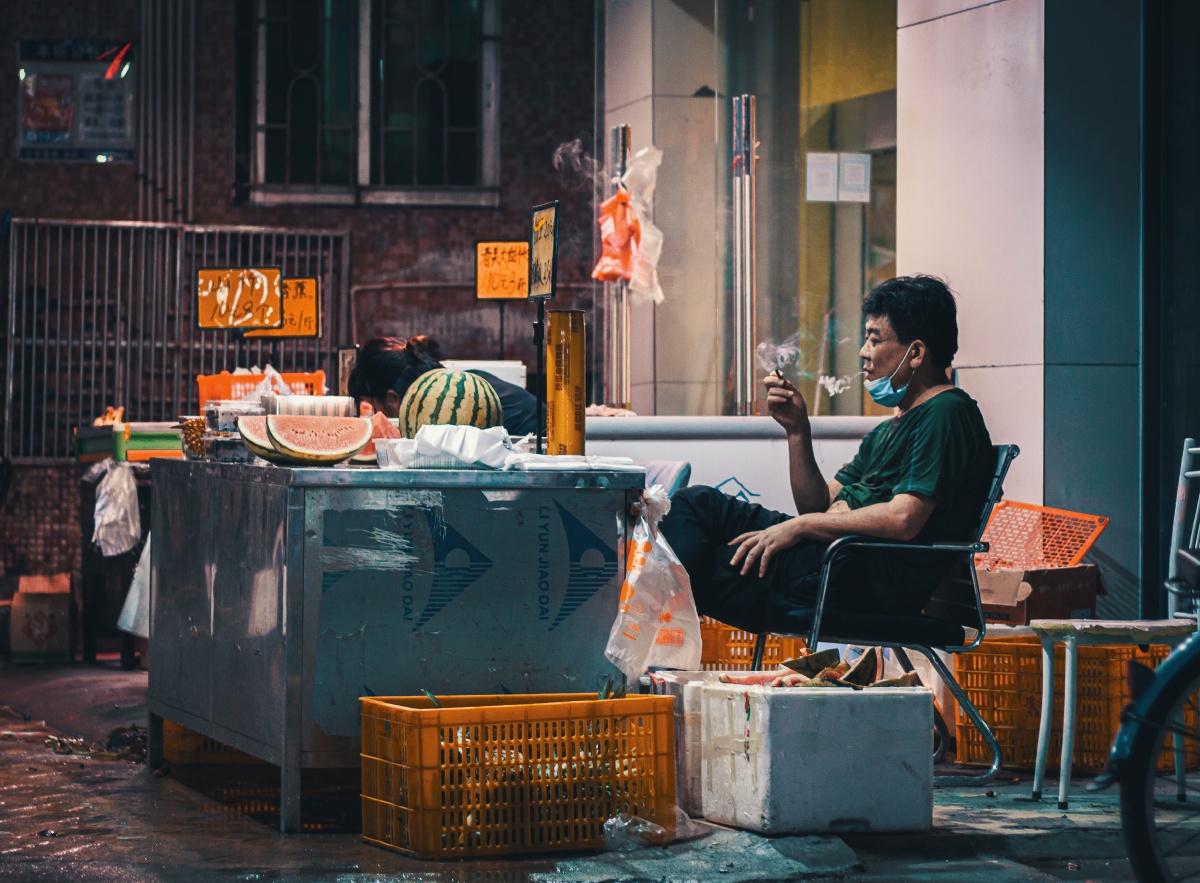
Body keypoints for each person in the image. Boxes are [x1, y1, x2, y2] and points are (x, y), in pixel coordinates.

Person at [660, 275, 994, 635]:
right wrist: (797, 431)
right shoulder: (888, 430)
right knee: (694, 504)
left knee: (701, 564)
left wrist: (800, 526)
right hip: (831, 556)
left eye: (875, 339)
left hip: (855, 572)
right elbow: (817, 503)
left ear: (915, 353)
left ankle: (652, 627)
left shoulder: (946, 413)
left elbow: (903, 519)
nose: (864, 352)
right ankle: (661, 613)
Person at [347, 336, 538, 437]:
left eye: (372, 408)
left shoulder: (441, 415)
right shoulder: (460, 383)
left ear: (392, 398)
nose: (374, 418)